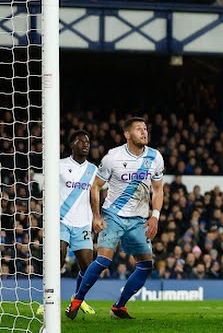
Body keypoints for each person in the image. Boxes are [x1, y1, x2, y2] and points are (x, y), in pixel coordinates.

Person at [66, 117, 165, 320]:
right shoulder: (113, 157)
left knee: (146, 265)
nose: (144, 132)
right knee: (103, 260)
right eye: (139, 129)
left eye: (145, 128)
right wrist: (96, 215)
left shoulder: (155, 157)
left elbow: (158, 189)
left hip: (139, 219)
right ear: (127, 134)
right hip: (113, 215)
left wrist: (155, 216)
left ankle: (119, 307)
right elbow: (95, 186)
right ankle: (77, 300)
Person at [51, 130, 98, 316]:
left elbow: (96, 196)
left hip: (83, 224)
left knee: (88, 267)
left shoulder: (93, 170)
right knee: (58, 257)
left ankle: (77, 299)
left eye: (88, 141)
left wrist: (97, 217)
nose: (86, 144)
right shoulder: (59, 165)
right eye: (81, 141)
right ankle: (48, 301)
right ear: (72, 144)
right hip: (61, 220)